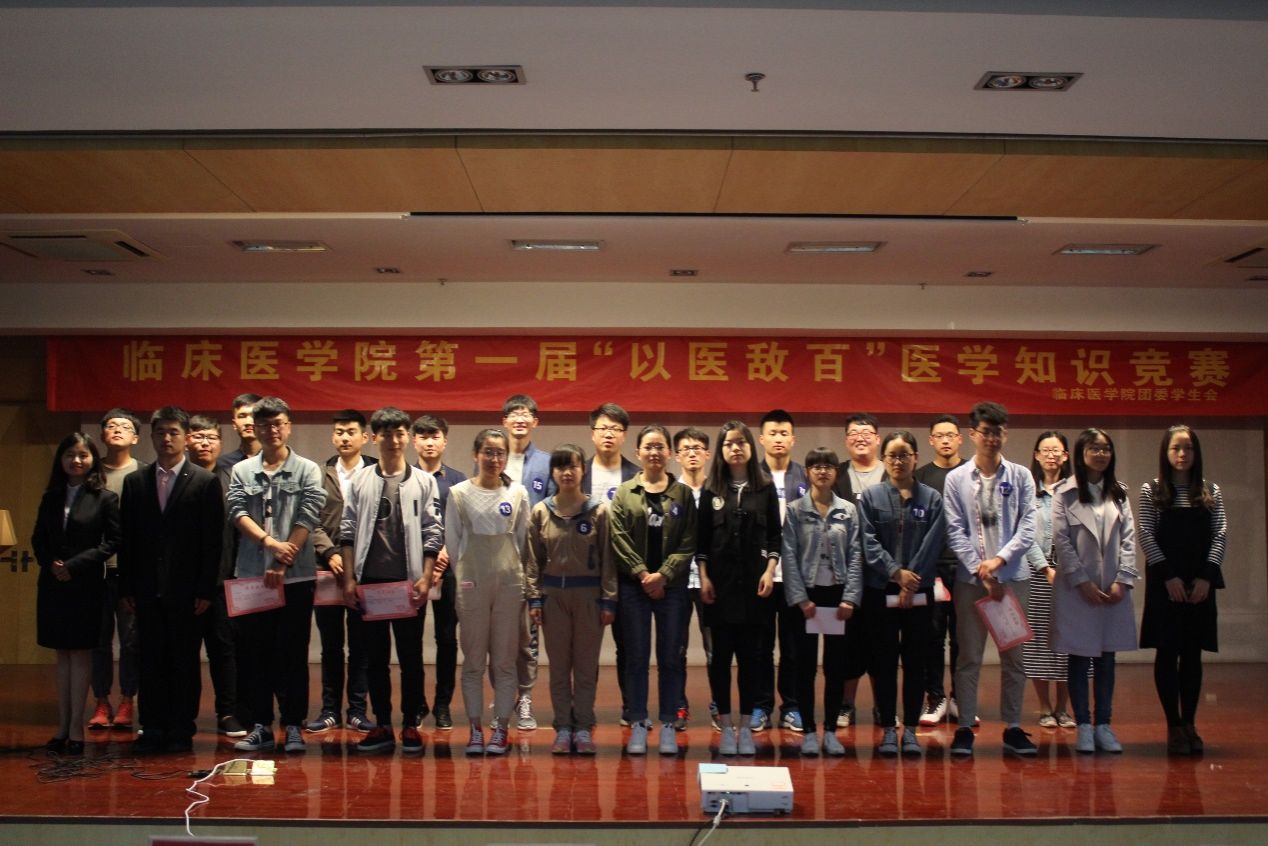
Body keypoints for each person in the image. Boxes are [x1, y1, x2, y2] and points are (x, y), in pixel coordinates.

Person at [118, 407, 225, 754]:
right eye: (160, 432)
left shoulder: (205, 481)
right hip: (147, 588)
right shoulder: (135, 482)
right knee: (150, 659)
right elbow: (127, 539)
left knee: (184, 661)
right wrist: (127, 586)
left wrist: (205, 589)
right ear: (151, 437)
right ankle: (152, 726)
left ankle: (181, 728)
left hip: (188, 589)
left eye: (174, 432)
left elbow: (213, 541)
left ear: (186, 438)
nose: (167, 438)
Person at [340, 407, 443, 754]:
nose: (394, 440)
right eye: (386, 434)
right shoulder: (360, 480)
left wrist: (426, 577)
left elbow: (433, 531)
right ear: (375, 438)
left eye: (399, 434)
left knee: (411, 659)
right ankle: (382, 723)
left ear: (407, 438)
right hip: (371, 583)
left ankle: (410, 724)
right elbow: (347, 530)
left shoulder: (424, 481)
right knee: (375, 659)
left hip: (408, 584)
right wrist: (350, 579)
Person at [227, 397, 325, 755]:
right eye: (265, 425)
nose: (272, 430)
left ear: (289, 426)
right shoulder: (242, 471)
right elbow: (237, 511)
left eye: (278, 423)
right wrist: (269, 544)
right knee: (255, 654)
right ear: (255, 428)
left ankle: (294, 725)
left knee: (293, 654)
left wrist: (283, 560)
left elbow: (309, 515)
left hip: (296, 577)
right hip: (252, 576)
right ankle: (260, 725)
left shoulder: (307, 469)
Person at [942, 401, 1037, 757]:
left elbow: (1028, 526)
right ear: (973, 434)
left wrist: (999, 560)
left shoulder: (1021, 476)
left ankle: (1013, 727)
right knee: (968, 656)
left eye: (998, 432)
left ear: (1005, 434)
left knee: (1015, 658)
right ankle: (965, 726)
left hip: (1012, 579)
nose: (992, 438)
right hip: (971, 583)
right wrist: (979, 568)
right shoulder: (956, 479)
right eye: (986, 432)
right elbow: (954, 530)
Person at [1138, 424, 1227, 756]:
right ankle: (1173, 725)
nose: (1182, 454)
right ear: (1165, 452)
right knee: (1167, 652)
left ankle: (1190, 722)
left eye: (1188, 448)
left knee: (1192, 654)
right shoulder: (1152, 490)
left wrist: (1206, 577)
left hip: (1200, 584)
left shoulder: (1210, 490)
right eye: (1175, 448)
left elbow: (1220, 534)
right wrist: (1169, 577)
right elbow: (1146, 534)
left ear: (1196, 453)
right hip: (1166, 584)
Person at [610, 424, 697, 755]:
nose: (655, 452)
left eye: (660, 446)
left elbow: (689, 540)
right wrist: (643, 574)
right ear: (638, 453)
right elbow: (618, 538)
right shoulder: (624, 492)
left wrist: (663, 575)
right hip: (634, 589)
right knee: (636, 656)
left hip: (672, 589)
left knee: (671, 656)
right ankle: (637, 721)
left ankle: (669, 723)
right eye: (648, 447)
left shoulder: (683, 494)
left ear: (670, 453)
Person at [524, 444, 617, 755]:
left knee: (586, 666)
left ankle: (584, 726)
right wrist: (534, 599)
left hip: (589, 597)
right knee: (560, 667)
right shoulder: (541, 512)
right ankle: (563, 727)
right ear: (552, 472)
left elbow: (608, 559)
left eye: (573, 466)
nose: (567, 472)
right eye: (561, 467)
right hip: (553, 598)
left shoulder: (598, 511)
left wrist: (609, 600)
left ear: (582, 470)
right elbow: (532, 561)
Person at [697, 421, 782, 757]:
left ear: (750, 447)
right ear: (721, 450)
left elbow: (775, 537)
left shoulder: (765, 488)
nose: (735, 448)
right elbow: (702, 541)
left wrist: (770, 570)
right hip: (719, 589)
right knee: (720, 659)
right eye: (729, 443)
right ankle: (726, 725)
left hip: (755, 589)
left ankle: (746, 727)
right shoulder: (711, 490)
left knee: (751, 659)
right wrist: (704, 577)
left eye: (741, 442)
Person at [33, 433, 120, 755]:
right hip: (54, 584)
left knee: (81, 654)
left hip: (86, 584)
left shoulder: (105, 498)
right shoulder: (51, 497)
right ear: (61, 459)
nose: (76, 460)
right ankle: (61, 726)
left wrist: (74, 565)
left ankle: (75, 728)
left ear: (93, 460)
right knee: (62, 655)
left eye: (83, 455)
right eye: (70, 454)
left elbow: (112, 542)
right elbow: (38, 539)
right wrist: (51, 564)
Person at [1051, 428, 1137, 754]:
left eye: (1106, 449)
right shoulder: (1065, 493)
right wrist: (1082, 581)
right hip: (1078, 590)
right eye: (1094, 448)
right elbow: (1061, 541)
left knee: (1106, 658)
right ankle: (1084, 726)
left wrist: (1122, 579)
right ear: (1081, 452)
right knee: (1079, 657)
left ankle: (1104, 724)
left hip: (1112, 589)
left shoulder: (1119, 493)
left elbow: (1129, 540)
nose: (1101, 454)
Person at [858, 431, 944, 756]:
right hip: (880, 591)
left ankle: (909, 729)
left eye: (904, 454)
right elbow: (867, 541)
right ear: (884, 459)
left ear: (916, 458)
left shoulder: (932, 499)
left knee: (916, 662)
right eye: (892, 455)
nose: (898, 461)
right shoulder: (870, 498)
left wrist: (910, 581)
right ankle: (887, 729)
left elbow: (933, 542)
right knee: (883, 662)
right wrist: (896, 573)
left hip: (919, 591)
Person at [446, 428, 530, 756]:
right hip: (472, 583)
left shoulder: (518, 493)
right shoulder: (458, 493)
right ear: (476, 454)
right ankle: (475, 729)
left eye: (500, 453)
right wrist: (467, 579)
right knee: (473, 661)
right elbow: (453, 543)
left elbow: (523, 543)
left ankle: (501, 729)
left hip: (510, 584)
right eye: (488, 452)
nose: (494, 459)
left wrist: (518, 579)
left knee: (505, 661)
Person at [782, 449, 862, 757]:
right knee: (804, 667)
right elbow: (789, 555)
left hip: (837, 598)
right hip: (807, 599)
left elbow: (856, 555)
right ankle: (808, 732)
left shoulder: (848, 510)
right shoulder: (795, 511)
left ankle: (830, 730)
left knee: (835, 666)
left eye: (828, 466)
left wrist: (850, 598)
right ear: (807, 472)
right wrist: (801, 599)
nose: (822, 471)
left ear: (836, 472)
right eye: (815, 466)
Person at [307, 410, 376, 735]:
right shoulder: (319, 474)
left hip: (365, 570)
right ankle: (330, 710)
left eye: (351, 431)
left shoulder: (376, 472)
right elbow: (311, 519)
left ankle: (358, 711)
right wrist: (330, 552)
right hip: (327, 570)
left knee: (362, 645)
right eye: (339, 432)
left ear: (365, 437)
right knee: (331, 646)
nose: (344, 437)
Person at [185, 414, 246, 737]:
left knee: (224, 651)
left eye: (210, 437)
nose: (204, 443)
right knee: (183, 652)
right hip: (184, 584)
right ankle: (183, 714)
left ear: (220, 443)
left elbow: (239, 535)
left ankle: (228, 713)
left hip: (224, 583)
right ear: (187, 441)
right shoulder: (178, 479)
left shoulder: (232, 480)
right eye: (198, 436)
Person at [88, 408, 144, 732]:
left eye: (125, 426)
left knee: (132, 640)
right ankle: (101, 701)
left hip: (129, 570)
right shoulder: (91, 474)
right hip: (96, 570)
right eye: (111, 425)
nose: (118, 429)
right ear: (102, 435)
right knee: (99, 640)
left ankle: (127, 699)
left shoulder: (144, 473)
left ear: (136, 438)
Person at [411, 413, 467, 731]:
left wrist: (444, 555)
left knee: (446, 639)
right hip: (413, 570)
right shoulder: (404, 477)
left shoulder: (458, 480)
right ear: (414, 441)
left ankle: (442, 705)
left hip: (448, 570)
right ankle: (417, 704)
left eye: (435, 436)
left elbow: (464, 525)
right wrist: (424, 562)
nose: (429, 442)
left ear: (445, 441)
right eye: (423, 436)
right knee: (412, 639)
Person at [584, 402, 639, 724]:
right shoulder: (579, 473)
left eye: (615, 429)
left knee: (628, 646)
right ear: (592, 434)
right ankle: (583, 710)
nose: (609, 434)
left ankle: (631, 708)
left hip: (625, 573)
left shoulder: (636, 475)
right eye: (603, 428)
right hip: (586, 573)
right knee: (586, 648)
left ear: (624, 435)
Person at [755, 409, 808, 733]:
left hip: (795, 578)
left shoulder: (804, 476)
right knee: (760, 647)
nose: (778, 438)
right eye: (772, 433)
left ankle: (792, 706)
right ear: (761, 439)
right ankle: (760, 706)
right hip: (760, 577)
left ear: (793, 439)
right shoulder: (751, 477)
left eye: (783, 433)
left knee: (793, 647)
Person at [831, 413, 885, 729]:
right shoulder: (835, 474)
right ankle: (845, 705)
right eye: (853, 432)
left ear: (878, 439)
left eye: (866, 432)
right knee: (845, 645)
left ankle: (882, 706)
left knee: (881, 644)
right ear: (846, 440)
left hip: (882, 576)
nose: (860, 437)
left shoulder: (890, 473)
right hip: (842, 576)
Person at [500, 394, 549, 731]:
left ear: (535, 422)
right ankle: (504, 695)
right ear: (504, 421)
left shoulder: (546, 463)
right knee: (500, 637)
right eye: (514, 413)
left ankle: (526, 696)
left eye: (526, 413)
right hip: (497, 561)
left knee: (528, 636)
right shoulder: (492, 457)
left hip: (532, 561)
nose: (520, 418)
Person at [912, 414, 964, 727]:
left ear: (960, 439)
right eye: (939, 435)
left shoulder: (972, 473)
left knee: (962, 637)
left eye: (951, 435)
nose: (945, 440)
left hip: (966, 568)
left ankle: (960, 698)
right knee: (931, 637)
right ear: (931, 440)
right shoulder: (920, 477)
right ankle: (935, 697)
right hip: (931, 569)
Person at [1023, 431, 1075, 731]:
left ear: (1066, 456)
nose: (1051, 455)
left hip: (1071, 576)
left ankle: (1063, 708)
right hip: (1037, 574)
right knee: (1039, 642)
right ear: (1036, 455)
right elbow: (1024, 535)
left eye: (1057, 450)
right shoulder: (1028, 493)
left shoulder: (1075, 492)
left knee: (1068, 642)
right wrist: (1045, 568)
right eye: (1046, 450)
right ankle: (1044, 707)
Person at [673, 426, 713, 730]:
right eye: (686, 448)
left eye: (697, 448)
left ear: (708, 454)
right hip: (677, 582)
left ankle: (719, 704)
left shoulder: (717, 491)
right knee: (676, 649)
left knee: (715, 649)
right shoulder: (669, 491)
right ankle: (678, 705)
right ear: (677, 456)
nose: (692, 453)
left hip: (711, 582)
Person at [217, 393, 262, 473]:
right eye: (242, 416)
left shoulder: (276, 460)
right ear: (234, 424)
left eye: (253, 416)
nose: (248, 422)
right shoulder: (222, 464)